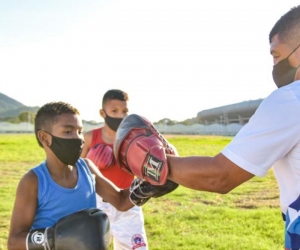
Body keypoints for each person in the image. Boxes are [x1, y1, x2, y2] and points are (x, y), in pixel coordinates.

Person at [113, 6, 300, 250]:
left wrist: (157, 165)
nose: (275, 65)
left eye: (276, 56)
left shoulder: (291, 99)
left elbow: (220, 176)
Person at [7, 101, 135, 250]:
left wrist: (151, 184)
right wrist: (55, 237)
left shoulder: (87, 168)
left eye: (80, 131)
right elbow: (14, 242)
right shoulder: (33, 181)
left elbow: (121, 201)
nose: (78, 138)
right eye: (68, 132)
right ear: (44, 137)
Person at [81, 89, 149, 250]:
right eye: (114, 111)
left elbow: (143, 171)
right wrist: (91, 164)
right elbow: (76, 169)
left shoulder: (133, 140)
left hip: (128, 201)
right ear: (102, 113)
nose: (120, 116)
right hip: (96, 202)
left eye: (124, 111)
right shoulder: (90, 137)